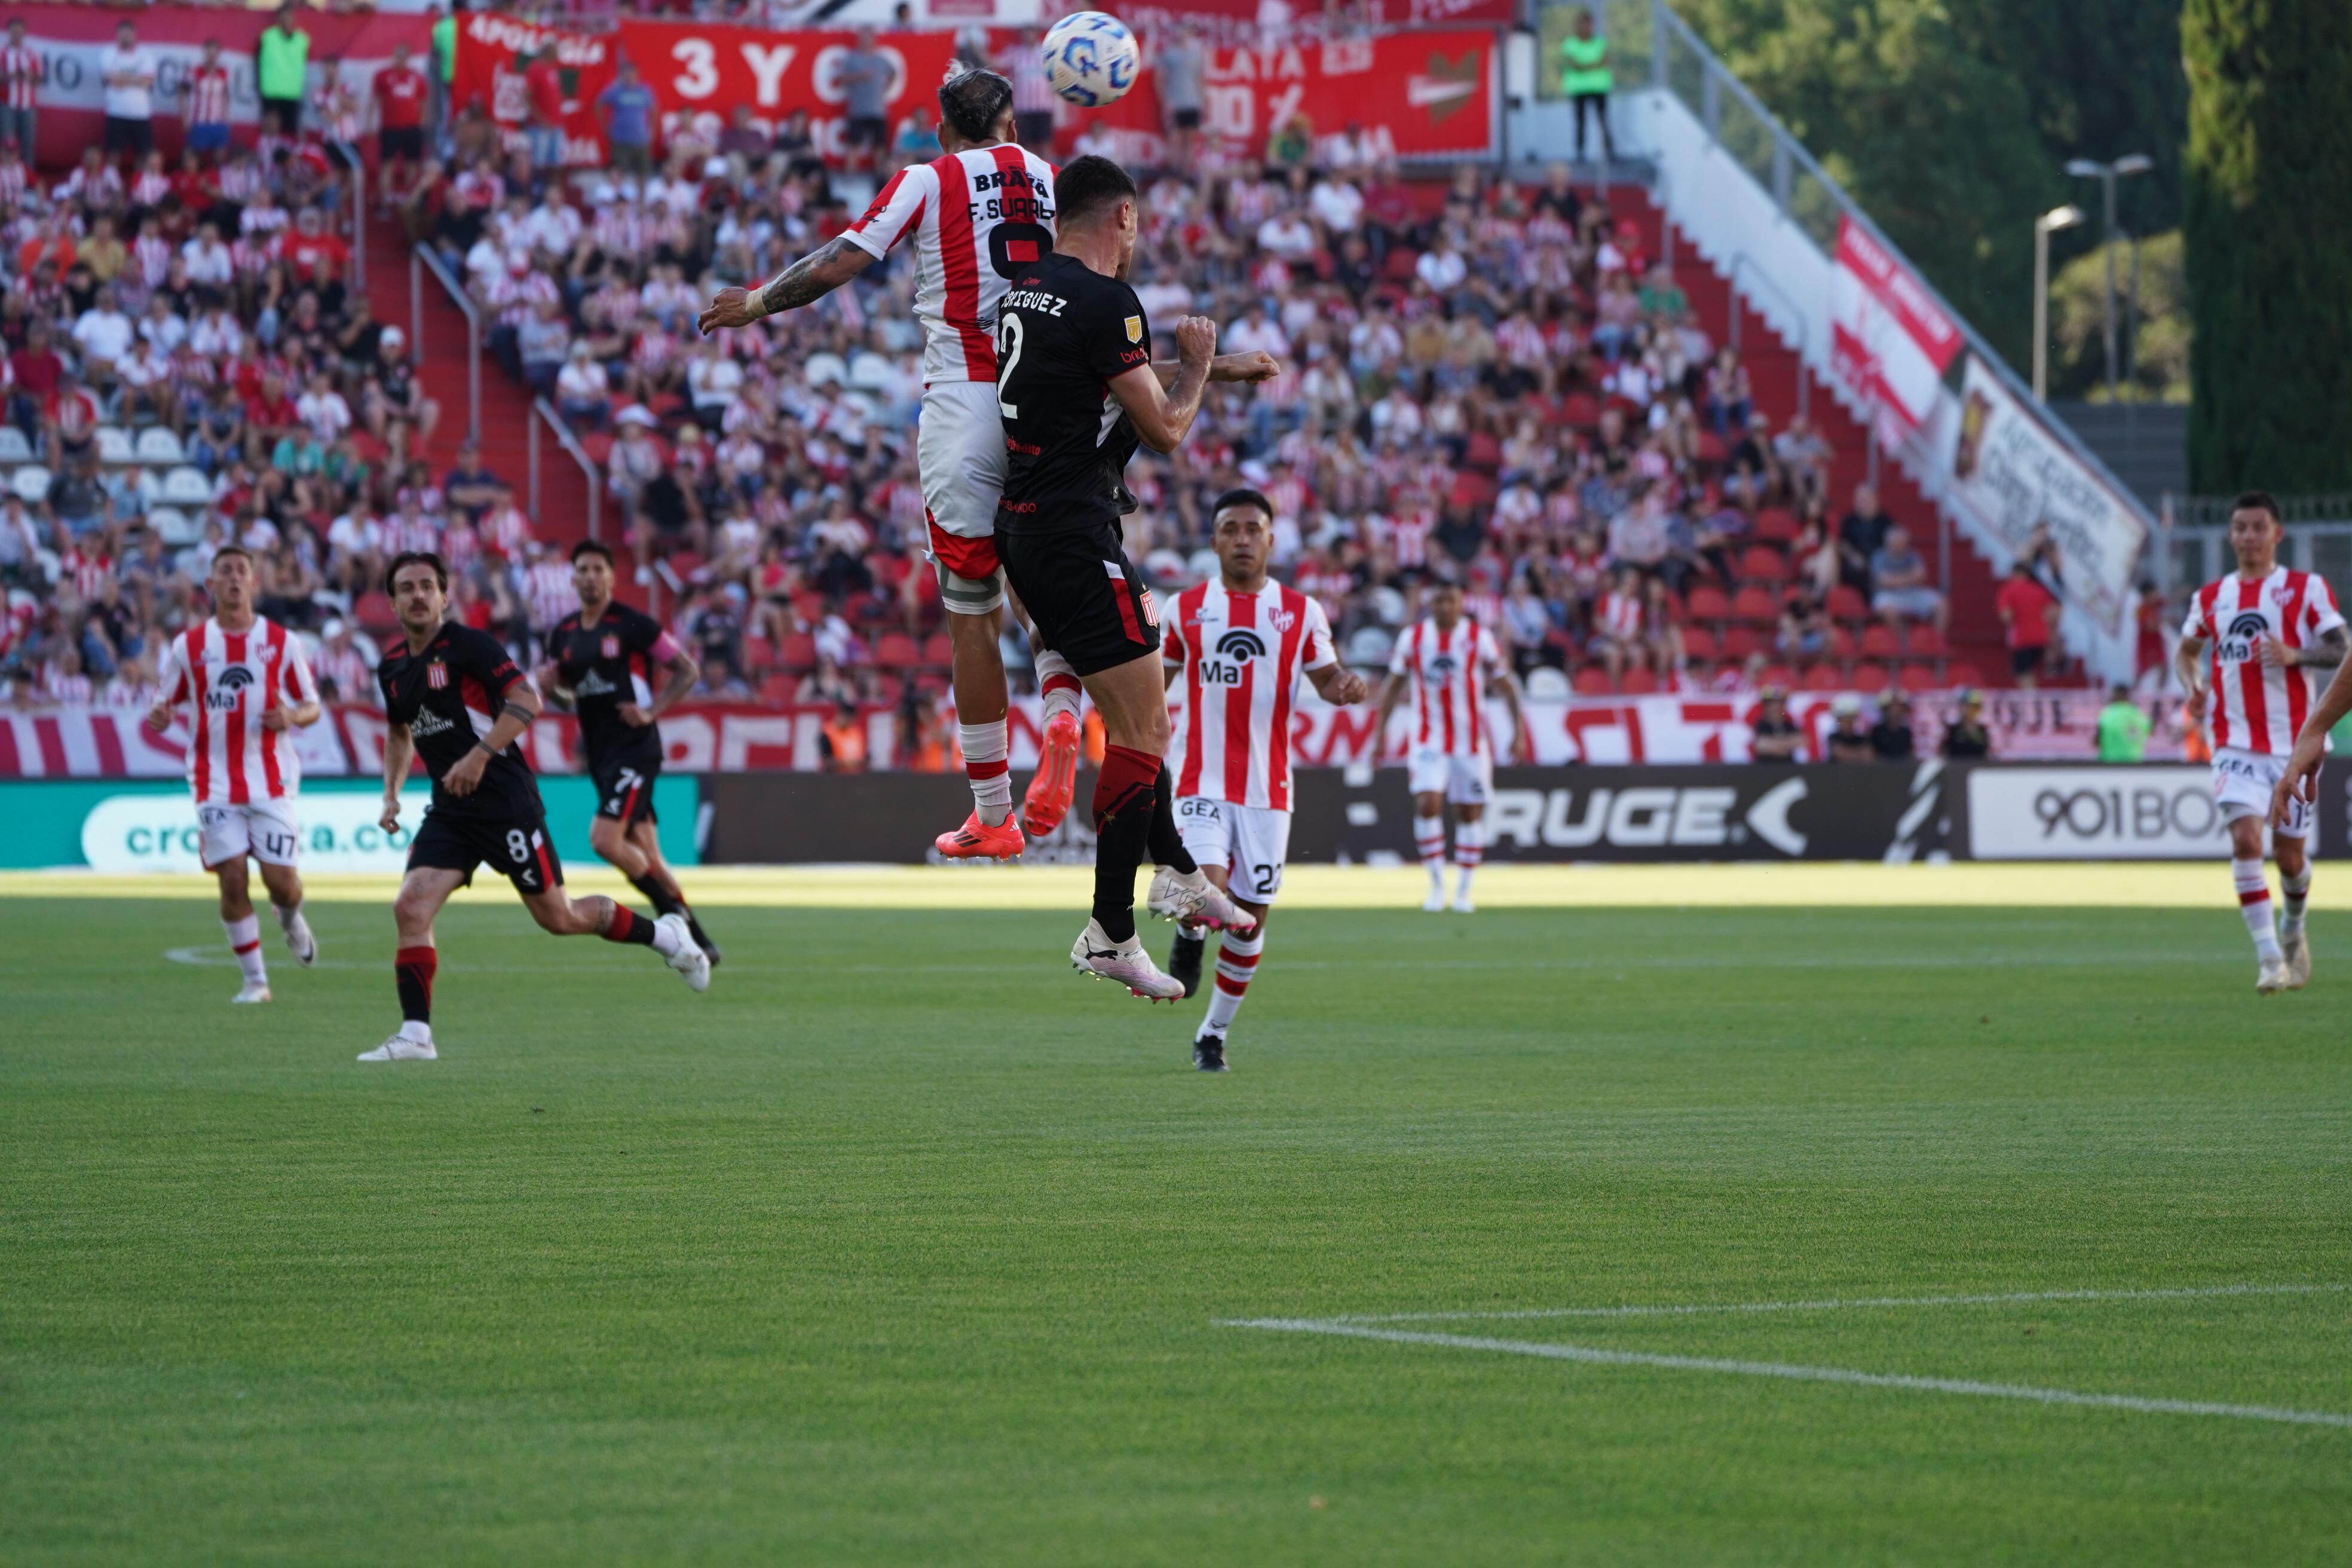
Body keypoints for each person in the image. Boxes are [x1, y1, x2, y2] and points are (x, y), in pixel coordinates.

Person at [694, 76, 1162, 858]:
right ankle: (1060, 713)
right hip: (1057, 397)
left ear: (944, 133)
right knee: (1043, 569)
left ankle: (992, 813)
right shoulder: (1051, 180)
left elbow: (841, 262)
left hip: (967, 403)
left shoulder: (928, 178)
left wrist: (754, 304)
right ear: (1011, 124)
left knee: (971, 608)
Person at [990, 154, 1263, 997]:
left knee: (1136, 706)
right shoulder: (1110, 299)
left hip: (1030, 534)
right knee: (1145, 731)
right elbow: (1169, 429)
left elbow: (1093, 387)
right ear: (1125, 219)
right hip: (1076, 537)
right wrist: (1196, 361)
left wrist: (1206, 370)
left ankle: (1176, 866)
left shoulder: (1026, 290)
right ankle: (1111, 929)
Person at [365, 551, 709, 1062]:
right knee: (410, 905)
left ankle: (668, 936)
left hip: (506, 803)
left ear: (444, 595)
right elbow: (399, 732)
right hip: (451, 811)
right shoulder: (393, 668)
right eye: (406, 588)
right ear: (392, 603)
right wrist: (391, 792)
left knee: (560, 917)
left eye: (426, 587)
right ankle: (416, 1034)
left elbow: (527, 699)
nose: (418, 596)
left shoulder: (470, 646)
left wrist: (480, 756)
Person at [1160, 488, 1370, 1070]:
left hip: (1267, 790)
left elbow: (1327, 678)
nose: (1244, 538)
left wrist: (1345, 687)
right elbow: (1157, 683)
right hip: (1199, 778)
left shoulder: (1302, 613)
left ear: (1272, 539)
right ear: (1215, 541)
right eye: (1231, 528)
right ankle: (1192, 932)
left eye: (1254, 528)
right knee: (1209, 890)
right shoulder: (1184, 609)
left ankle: (1212, 1035)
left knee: (1249, 922)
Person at [2178, 491, 2344, 994]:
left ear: (2278, 533)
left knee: (2290, 858)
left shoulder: (2306, 588)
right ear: (2230, 535)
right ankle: (2270, 958)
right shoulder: (2210, 598)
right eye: (2239, 528)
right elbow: (2186, 653)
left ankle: (2293, 926)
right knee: (2246, 840)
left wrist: (2296, 655)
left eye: (2257, 527)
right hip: (2233, 742)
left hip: (2294, 745)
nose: (2248, 537)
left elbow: (2342, 651)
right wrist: (2192, 688)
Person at [143, 545, 323, 1004]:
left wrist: (292, 718)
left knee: (282, 884)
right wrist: (160, 714)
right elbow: (164, 700)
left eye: (242, 571)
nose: (235, 579)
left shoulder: (282, 642)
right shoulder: (190, 646)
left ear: (255, 583)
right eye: (225, 572)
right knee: (233, 876)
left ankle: (290, 920)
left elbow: (312, 704)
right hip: (213, 782)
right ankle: (255, 981)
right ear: (211, 585)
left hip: (272, 781)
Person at [537, 540, 720, 964]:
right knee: (651, 856)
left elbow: (686, 670)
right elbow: (573, 698)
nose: (590, 576)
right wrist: (552, 688)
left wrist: (652, 711)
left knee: (604, 839)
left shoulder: (632, 624)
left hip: (635, 749)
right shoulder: (562, 634)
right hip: (602, 756)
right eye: (582, 569)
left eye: (598, 569)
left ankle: (669, 925)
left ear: (611, 577)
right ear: (573, 577)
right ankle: (701, 941)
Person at [1375, 577, 1530, 914]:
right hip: (1428, 738)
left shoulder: (1480, 638)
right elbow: (1392, 687)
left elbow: (1507, 686)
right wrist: (1379, 736)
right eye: (1440, 601)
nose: (1446, 607)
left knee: (1468, 813)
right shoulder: (1413, 638)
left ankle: (1464, 890)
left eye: (1452, 601)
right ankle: (1436, 886)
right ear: (1431, 605)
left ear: (1462, 604)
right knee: (1428, 802)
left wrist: (1518, 732)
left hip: (1470, 742)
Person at [1558, 9, 1615, 163]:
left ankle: (1610, 152)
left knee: (1603, 120)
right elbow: (1575, 64)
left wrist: (1584, 66)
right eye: (1583, 24)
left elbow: (1604, 61)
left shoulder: (1600, 42)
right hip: (1578, 90)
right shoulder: (1570, 43)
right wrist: (1593, 65)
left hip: (1599, 88)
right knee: (1580, 122)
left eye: (1588, 24)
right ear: (1577, 26)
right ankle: (1580, 153)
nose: (1586, 27)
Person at [370, 41, 430, 183]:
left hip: (411, 127)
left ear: (409, 57)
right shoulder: (383, 76)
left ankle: (410, 200)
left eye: (404, 56)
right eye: (399, 56)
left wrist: (421, 123)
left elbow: (423, 102)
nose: (401, 59)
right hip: (390, 127)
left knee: (412, 163)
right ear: (394, 56)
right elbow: (375, 100)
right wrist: (370, 121)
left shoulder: (417, 77)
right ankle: (385, 202)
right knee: (386, 165)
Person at [1995, 558, 2059, 685]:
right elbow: (2053, 612)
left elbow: (2006, 616)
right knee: (2033, 672)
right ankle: (2034, 697)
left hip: (2022, 638)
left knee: (2023, 673)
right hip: (2041, 636)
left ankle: (2030, 701)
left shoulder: (2009, 590)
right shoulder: (2039, 590)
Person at [100, 21, 157, 164]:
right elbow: (112, 81)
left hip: (141, 114)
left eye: (129, 33)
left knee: (143, 156)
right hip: (116, 112)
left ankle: (139, 186)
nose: (126, 37)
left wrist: (122, 78)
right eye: (122, 33)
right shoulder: (108, 53)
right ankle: (113, 186)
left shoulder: (146, 55)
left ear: (135, 35)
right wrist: (137, 79)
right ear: (117, 35)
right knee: (113, 155)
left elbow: (147, 83)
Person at [836, 27, 892, 173]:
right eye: (863, 38)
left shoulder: (880, 60)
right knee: (854, 146)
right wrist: (860, 76)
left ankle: (882, 181)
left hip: (877, 110)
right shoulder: (852, 58)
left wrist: (885, 88)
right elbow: (842, 79)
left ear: (874, 40)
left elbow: (893, 73)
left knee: (879, 147)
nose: (866, 41)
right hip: (858, 110)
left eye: (868, 38)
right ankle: (850, 180)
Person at [598, 59, 658, 182]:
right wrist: (605, 127)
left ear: (637, 74)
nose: (629, 76)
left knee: (642, 173)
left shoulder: (645, 91)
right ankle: (620, 199)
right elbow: (598, 105)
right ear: (622, 75)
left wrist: (652, 129)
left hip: (641, 139)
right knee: (620, 172)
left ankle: (641, 200)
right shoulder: (615, 91)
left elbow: (654, 110)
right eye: (626, 74)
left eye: (632, 73)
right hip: (621, 139)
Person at [1156, 23, 1205, 171]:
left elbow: (1200, 80)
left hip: (1193, 102)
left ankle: (1185, 173)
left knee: (1190, 140)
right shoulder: (1169, 54)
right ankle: (1173, 173)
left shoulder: (1196, 55)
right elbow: (1159, 79)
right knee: (1174, 139)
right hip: (1175, 103)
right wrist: (1165, 101)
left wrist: (1202, 101)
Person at [256, 7, 308, 139]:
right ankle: (268, 158)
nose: (286, 20)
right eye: (283, 17)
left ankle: (287, 160)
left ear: (293, 18)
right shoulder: (267, 37)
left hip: (292, 92)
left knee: (290, 132)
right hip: (271, 91)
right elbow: (257, 61)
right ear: (278, 19)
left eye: (289, 16)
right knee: (271, 130)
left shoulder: (302, 39)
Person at [0, 19, 41, 163]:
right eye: (14, 31)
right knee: (6, 144)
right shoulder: (2, 53)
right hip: (7, 105)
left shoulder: (32, 53)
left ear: (24, 33)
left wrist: (30, 76)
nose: (17, 34)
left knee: (28, 145)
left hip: (28, 106)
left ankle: (28, 180)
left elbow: (39, 80)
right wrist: (11, 76)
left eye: (20, 31)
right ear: (8, 33)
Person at [185, 39, 233, 159]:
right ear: (204, 52)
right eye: (209, 52)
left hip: (218, 122)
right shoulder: (194, 71)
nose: (212, 56)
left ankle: (215, 177)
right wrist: (185, 118)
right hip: (199, 122)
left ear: (218, 54)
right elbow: (182, 93)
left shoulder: (224, 73)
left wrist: (228, 119)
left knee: (219, 158)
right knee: (195, 158)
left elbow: (226, 96)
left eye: (215, 52)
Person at [2096, 682, 2150, 763]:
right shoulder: (2139, 714)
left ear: (2118, 695)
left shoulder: (2107, 713)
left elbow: (2097, 740)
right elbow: (2149, 731)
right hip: (2134, 763)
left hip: (2110, 762)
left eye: (2113, 694)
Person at [1749, 686, 1802, 761]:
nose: (1776, 708)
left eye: (1780, 704)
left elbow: (1802, 741)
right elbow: (1760, 745)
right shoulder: (1760, 725)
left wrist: (1775, 746)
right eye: (1772, 705)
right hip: (1765, 769)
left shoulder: (1789, 724)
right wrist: (1788, 744)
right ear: (1766, 707)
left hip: (1789, 768)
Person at [1940, 689, 1990, 760]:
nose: (1970, 710)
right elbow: (1944, 752)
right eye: (1968, 706)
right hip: (1956, 768)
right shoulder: (1953, 730)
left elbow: (1985, 753)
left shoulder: (1982, 730)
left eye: (1974, 707)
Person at [1870, 690, 1916, 761]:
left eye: (1898, 707)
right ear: (1885, 710)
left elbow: (1909, 753)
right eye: (1892, 707)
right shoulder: (1877, 731)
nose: (1895, 710)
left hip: (1902, 769)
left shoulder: (1906, 732)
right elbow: (1871, 754)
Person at [1826, 694, 1873, 762]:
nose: (1847, 723)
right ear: (1838, 720)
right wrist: (1859, 754)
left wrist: (1850, 753)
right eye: (1844, 719)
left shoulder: (1862, 739)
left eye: (1850, 719)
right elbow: (1841, 754)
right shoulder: (1833, 738)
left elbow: (1868, 756)